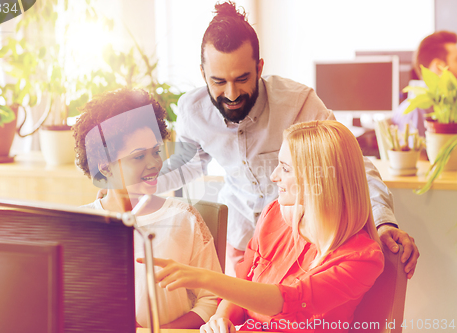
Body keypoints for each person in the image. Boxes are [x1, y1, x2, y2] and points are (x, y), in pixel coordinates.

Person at [150, 1, 418, 278]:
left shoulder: (299, 104)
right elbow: (188, 165)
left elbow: (353, 166)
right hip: (239, 239)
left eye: (242, 79)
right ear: (203, 74)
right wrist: (134, 183)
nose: (231, 94)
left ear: (259, 67)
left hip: (295, 242)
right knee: (237, 314)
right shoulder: (192, 111)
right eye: (218, 82)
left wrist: (384, 222)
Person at [145, 120, 385, 333]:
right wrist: (221, 318)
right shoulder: (274, 215)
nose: (274, 176)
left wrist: (205, 278)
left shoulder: (362, 259)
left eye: (286, 168)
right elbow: (244, 283)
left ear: (319, 180)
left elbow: (290, 302)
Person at [73, 88, 222, 328]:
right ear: (106, 167)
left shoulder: (184, 220)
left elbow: (211, 298)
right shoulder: (79, 225)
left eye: (156, 151)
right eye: (138, 157)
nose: (154, 163)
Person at [392, 30, 457, 137]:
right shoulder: (417, 111)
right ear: (439, 67)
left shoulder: (448, 104)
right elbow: (418, 154)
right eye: (456, 60)